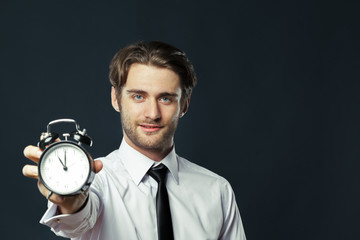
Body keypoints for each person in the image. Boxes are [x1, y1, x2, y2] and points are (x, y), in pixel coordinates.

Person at [23, 41, 246, 240]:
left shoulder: (216, 191)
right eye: (138, 96)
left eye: (166, 98)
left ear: (184, 105)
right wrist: (70, 200)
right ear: (116, 99)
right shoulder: (96, 183)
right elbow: (78, 219)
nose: (152, 113)